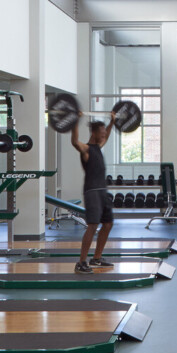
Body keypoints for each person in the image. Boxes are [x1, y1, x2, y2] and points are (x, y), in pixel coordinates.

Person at [72, 116, 116, 274]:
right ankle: (81, 262)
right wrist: (75, 121)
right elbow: (75, 142)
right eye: (102, 132)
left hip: (103, 191)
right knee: (92, 226)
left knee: (108, 224)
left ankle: (96, 258)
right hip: (92, 192)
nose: (104, 135)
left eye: (105, 132)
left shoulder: (98, 147)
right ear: (94, 132)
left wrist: (111, 122)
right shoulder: (86, 149)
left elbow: (108, 136)